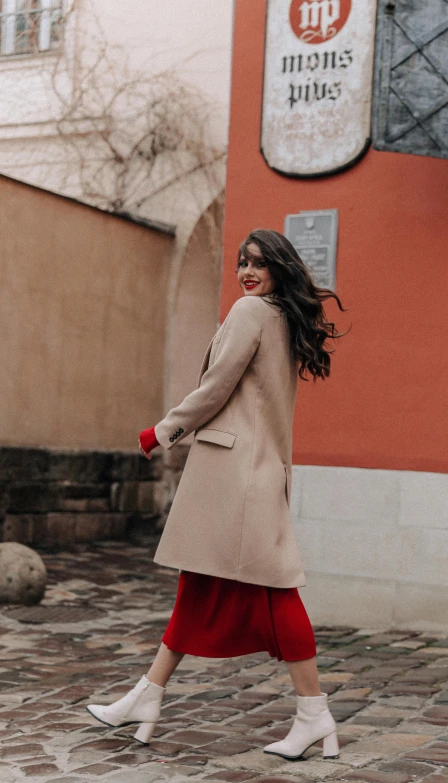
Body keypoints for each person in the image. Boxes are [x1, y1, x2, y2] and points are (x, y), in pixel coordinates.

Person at [86, 229, 349, 760]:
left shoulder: (251, 313)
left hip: (237, 475)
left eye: (259, 263)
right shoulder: (281, 317)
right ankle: (147, 695)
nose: (248, 272)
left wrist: (162, 430)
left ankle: (314, 714)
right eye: (242, 263)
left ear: (278, 268)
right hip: (252, 471)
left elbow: (216, 386)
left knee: (276, 590)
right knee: (200, 588)